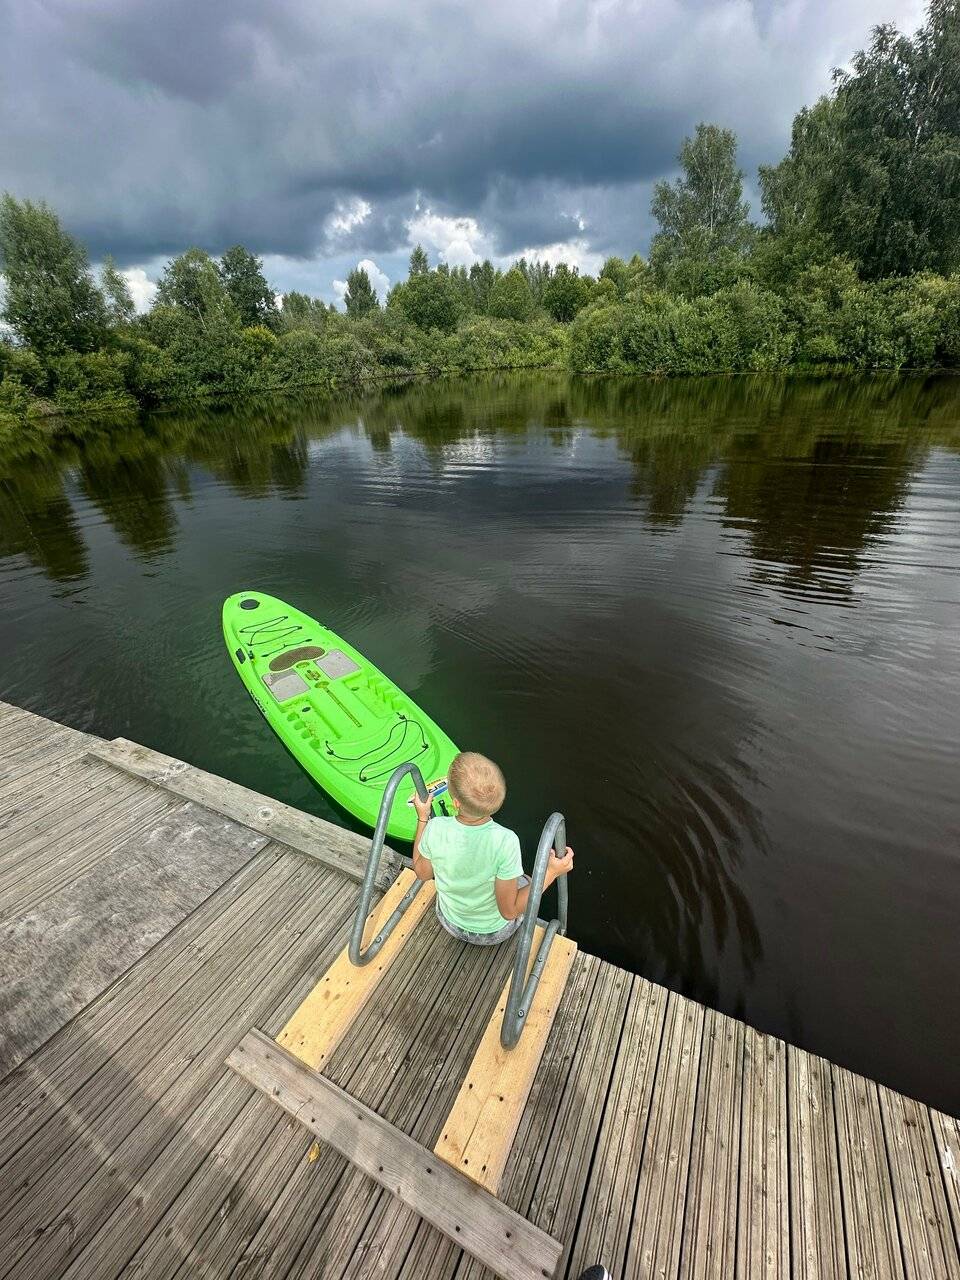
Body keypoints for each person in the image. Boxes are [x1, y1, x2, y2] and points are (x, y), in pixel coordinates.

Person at [411, 750, 573, 945]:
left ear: (455, 803)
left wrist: (423, 818)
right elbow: (509, 912)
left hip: (449, 921)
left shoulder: (436, 828)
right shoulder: (505, 841)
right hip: (493, 933)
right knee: (527, 880)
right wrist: (550, 873)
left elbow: (422, 873)